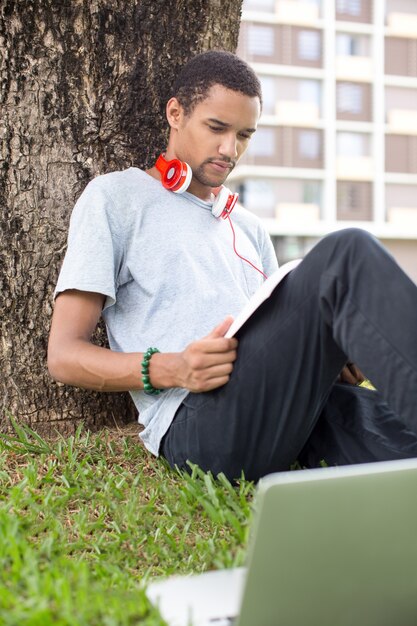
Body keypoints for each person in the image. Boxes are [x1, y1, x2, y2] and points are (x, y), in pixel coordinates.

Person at [48, 50, 417, 482]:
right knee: (345, 254)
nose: (230, 149)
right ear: (176, 113)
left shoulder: (249, 227)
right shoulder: (115, 198)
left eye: (244, 134)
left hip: (284, 414)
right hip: (199, 423)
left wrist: (329, 363)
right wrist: (173, 367)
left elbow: (277, 340)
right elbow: (64, 355)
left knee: (404, 436)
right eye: (217, 128)